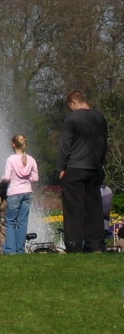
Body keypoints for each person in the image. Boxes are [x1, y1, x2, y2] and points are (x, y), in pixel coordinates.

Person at [57, 90, 109, 252]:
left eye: (69, 106)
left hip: (75, 168)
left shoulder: (72, 119)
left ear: (73, 102)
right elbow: (104, 144)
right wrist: (100, 163)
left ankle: (74, 245)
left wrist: (61, 167)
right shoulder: (100, 118)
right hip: (94, 168)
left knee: (74, 209)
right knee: (94, 208)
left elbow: (65, 145)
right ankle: (96, 245)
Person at [2, 134, 39, 254]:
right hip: (27, 192)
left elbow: (7, 177)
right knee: (23, 222)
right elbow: (35, 178)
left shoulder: (11, 159)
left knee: (11, 221)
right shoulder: (31, 159)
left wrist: (3, 179)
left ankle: (10, 249)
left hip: (14, 193)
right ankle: (20, 249)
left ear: (13, 144)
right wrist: (26, 178)